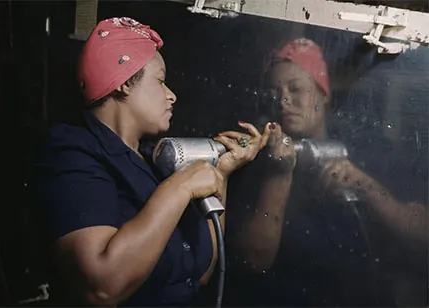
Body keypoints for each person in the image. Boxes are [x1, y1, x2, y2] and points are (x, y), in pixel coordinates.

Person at [32, 17, 272, 306]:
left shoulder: (151, 159)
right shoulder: (72, 153)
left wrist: (221, 174)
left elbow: (201, 272)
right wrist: (180, 187)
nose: (171, 95)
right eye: (160, 80)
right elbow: (101, 287)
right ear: (123, 83)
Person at [226, 38, 427, 306]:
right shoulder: (254, 161)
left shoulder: (367, 150)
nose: (284, 100)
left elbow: (421, 238)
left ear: (323, 92)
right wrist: (279, 176)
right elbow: (252, 260)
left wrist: (366, 188)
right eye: (274, 92)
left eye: (296, 89)